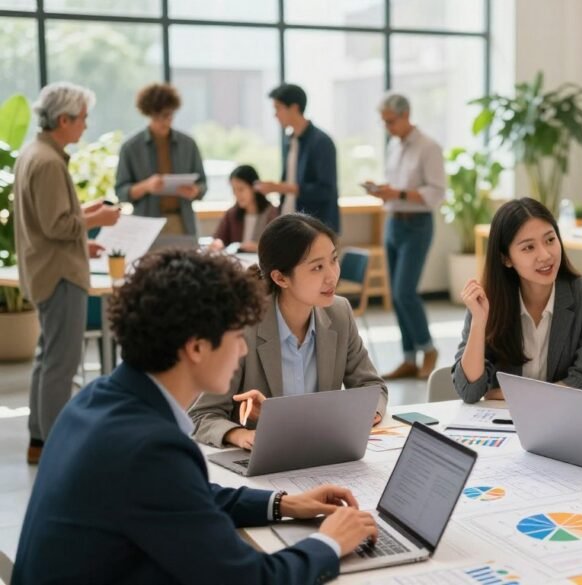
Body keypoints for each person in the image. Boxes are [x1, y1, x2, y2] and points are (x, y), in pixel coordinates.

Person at [13, 249, 378, 584]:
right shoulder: (150, 449)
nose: (241, 349)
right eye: (237, 335)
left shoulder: (97, 398)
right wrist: (330, 543)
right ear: (197, 347)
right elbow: (251, 580)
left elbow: (185, 495)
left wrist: (281, 503)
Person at [191, 214, 387, 449]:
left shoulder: (339, 312)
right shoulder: (242, 325)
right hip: (259, 462)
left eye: (334, 260)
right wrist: (239, 434)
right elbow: (201, 415)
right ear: (280, 278)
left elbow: (371, 387)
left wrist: (369, 412)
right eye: (317, 267)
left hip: (323, 454)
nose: (332, 276)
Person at [13, 82, 121, 463]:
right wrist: (99, 217)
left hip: (48, 267)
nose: (85, 126)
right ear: (64, 119)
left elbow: (52, 222)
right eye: (83, 119)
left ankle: (39, 440)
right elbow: (58, 225)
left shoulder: (37, 154)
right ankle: (56, 447)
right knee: (61, 364)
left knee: (48, 359)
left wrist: (84, 234)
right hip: (59, 275)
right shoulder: (47, 162)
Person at [453, 198, 582, 403]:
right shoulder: (488, 300)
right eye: (528, 248)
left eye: (550, 240)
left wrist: (514, 395)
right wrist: (479, 322)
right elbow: (470, 391)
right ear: (506, 258)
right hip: (504, 424)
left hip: (562, 419)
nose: (545, 255)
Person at [365, 93, 444, 380]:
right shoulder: (394, 147)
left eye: (391, 121)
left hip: (417, 224)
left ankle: (428, 349)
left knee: (404, 291)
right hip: (393, 223)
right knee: (396, 297)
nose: (387, 127)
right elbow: (399, 188)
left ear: (407, 115)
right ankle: (409, 357)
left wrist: (395, 193)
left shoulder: (429, 147)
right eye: (383, 122)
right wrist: (381, 190)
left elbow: (436, 193)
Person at [115, 82, 207, 236]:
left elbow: (203, 184)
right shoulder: (130, 147)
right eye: (160, 116)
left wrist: (195, 191)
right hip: (146, 224)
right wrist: (146, 186)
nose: (165, 121)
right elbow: (121, 192)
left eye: (169, 115)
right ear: (149, 114)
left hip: (182, 222)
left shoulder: (188, 144)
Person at [256, 83, 340, 233]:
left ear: (294, 108)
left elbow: (326, 190)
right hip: (293, 223)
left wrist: (280, 187)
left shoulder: (321, 142)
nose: (275, 115)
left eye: (278, 108)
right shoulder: (291, 141)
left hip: (315, 228)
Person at [210, 164, 279, 253]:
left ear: (254, 187)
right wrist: (217, 243)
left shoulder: (272, 213)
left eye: (241, 189)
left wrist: (259, 247)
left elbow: (278, 247)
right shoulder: (232, 213)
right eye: (234, 190)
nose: (237, 194)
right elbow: (219, 238)